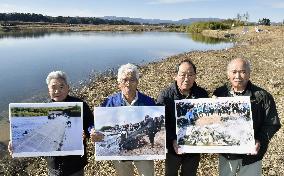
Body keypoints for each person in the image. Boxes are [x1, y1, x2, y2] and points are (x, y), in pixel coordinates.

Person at [9, 71, 94, 176]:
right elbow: (31, 133)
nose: (57, 90)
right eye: (53, 87)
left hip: (75, 162)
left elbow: (90, 123)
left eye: (61, 87)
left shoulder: (80, 105)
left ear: (68, 88)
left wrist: (88, 132)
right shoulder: (42, 111)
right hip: (53, 164)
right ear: (49, 90)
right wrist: (16, 142)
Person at [213, 58, 281, 176]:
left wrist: (260, 140)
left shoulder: (262, 96)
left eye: (243, 72)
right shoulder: (220, 94)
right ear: (228, 74)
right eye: (234, 72)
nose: (238, 76)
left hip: (251, 155)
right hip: (227, 154)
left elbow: (272, 123)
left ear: (249, 74)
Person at [91, 63, 155, 176]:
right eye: (125, 80)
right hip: (120, 150)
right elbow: (95, 121)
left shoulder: (148, 102)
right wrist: (92, 130)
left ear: (138, 82)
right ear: (119, 83)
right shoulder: (110, 102)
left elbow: (156, 121)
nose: (128, 84)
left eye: (132, 80)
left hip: (143, 149)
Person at [157, 59, 208, 176]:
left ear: (195, 76)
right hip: (172, 147)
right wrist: (172, 139)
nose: (186, 78)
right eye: (182, 75)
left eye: (190, 75)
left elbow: (205, 120)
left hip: (193, 147)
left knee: (190, 173)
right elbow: (161, 123)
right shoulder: (165, 95)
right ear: (175, 76)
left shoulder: (202, 94)